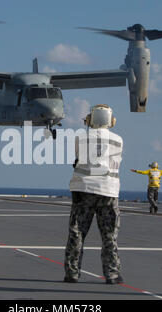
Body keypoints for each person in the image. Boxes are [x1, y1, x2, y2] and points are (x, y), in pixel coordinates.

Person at [64, 104, 124, 284]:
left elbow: (77, 158)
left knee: (77, 232)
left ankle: (72, 272)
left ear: (91, 119)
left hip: (83, 190)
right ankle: (112, 274)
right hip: (108, 191)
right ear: (110, 120)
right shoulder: (118, 140)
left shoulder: (80, 138)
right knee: (109, 235)